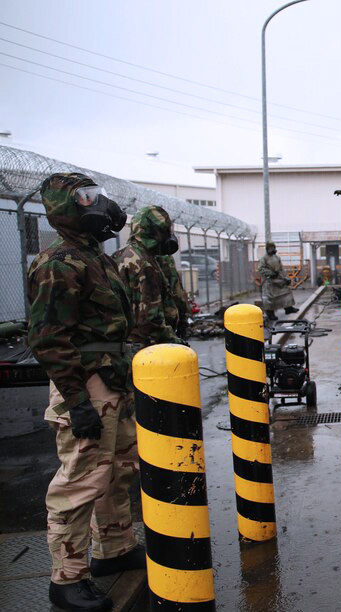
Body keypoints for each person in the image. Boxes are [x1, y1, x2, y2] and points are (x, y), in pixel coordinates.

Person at [26, 173, 142, 612]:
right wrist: (77, 403)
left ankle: (114, 550)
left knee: (117, 472)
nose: (97, 204)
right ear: (64, 206)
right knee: (78, 481)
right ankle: (67, 577)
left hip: (110, 380)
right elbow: (49, 339)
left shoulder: (93, 255)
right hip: (85, 384)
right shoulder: (59, 263)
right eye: (85, 197)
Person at [113, 206, 183, 346]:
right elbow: (151, 320)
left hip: (124, 342)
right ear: (156, 231)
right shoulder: (144, 263)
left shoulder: (120, 254)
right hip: (143, 347)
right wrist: (174, 341)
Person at [258, 242, 297, 321]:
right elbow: (261, 268)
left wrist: (286, 278)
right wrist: (270, 273)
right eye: (270, 248)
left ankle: (288, 308)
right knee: (269, 299)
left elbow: (281, 269)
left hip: (279, 280)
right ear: (267, 249)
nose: (272, 249)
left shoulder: (277, 257)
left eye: (273, 247)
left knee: (286, 292)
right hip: (269, 281)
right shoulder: (264, 258)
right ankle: (270, 314)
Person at [159, 253, 190, 339]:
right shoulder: (163, 257)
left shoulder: (121, 255)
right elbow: (177, 292)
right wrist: (183, 318)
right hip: (162, 321)